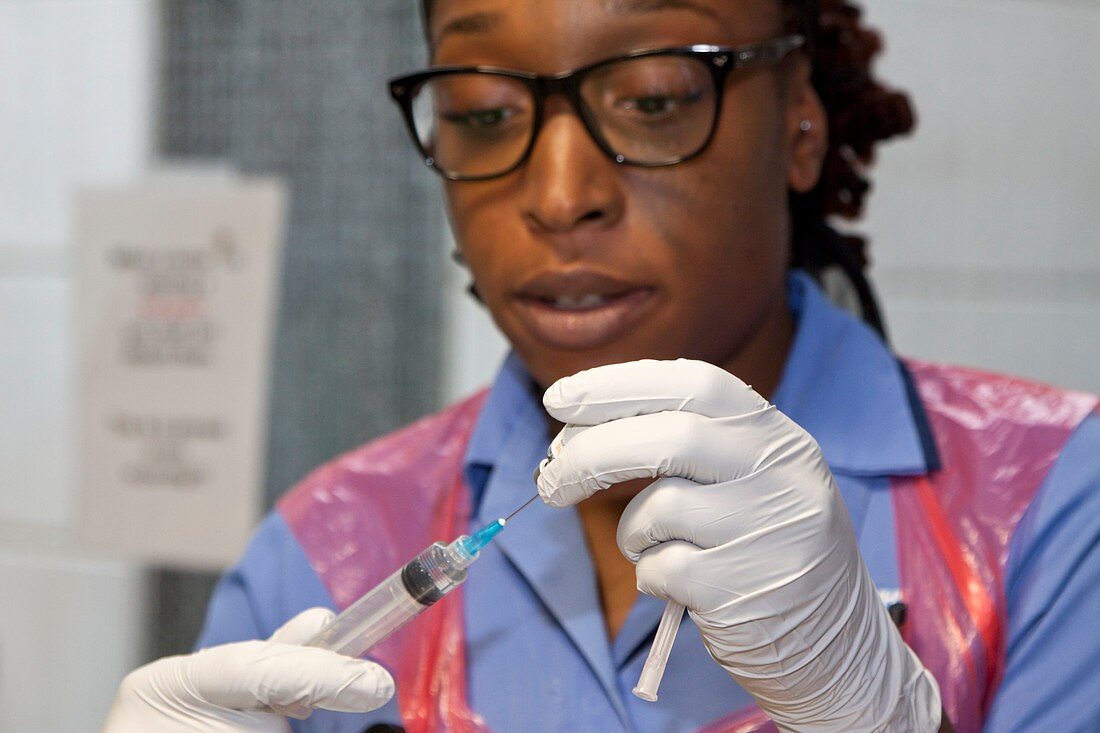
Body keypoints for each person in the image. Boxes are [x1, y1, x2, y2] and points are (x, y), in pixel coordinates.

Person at [102, 1, 1100, 732]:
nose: (559, 193)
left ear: (799, 124)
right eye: (485, 112)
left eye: (654, 99)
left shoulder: (1053, 502)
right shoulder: (319, 553)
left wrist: (873, 715)